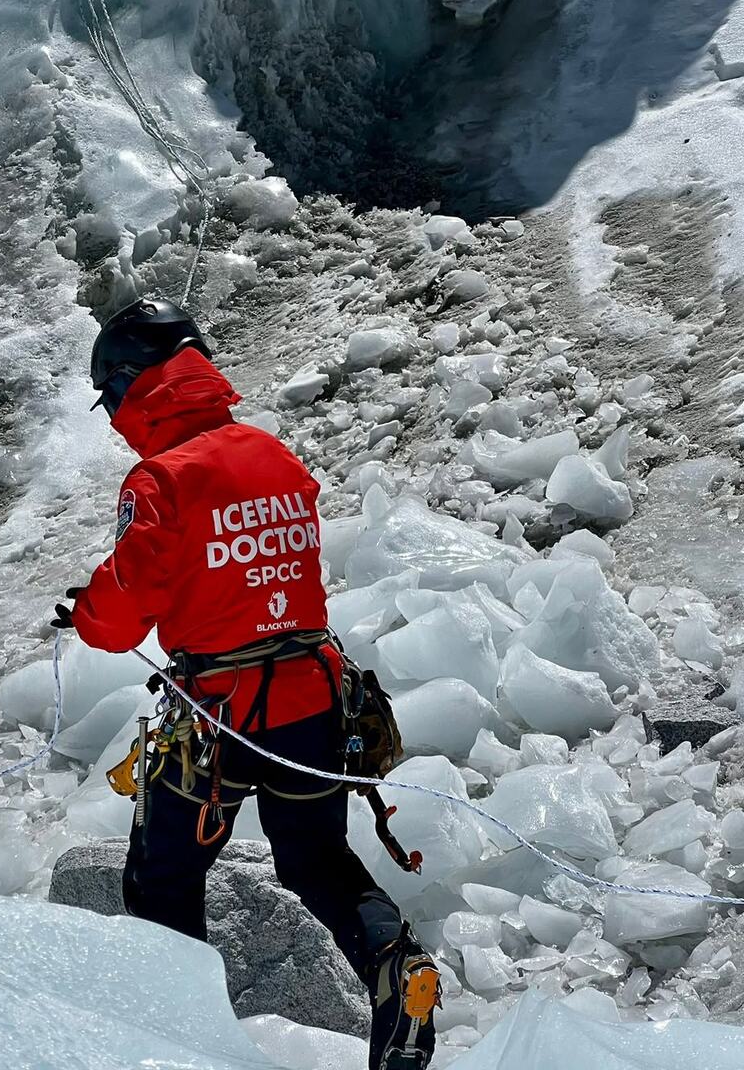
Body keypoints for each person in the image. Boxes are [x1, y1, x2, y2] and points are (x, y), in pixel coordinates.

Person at [52, 298, 441, 1069]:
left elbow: (125, 614)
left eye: (112, 397)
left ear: (133, 383)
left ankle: (183, 1046)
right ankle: (398, 967)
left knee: (164, 877)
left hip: (219, 717)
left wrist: (88, 613)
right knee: (317, 862)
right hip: (314, 700)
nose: (113, 418)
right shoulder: (274, 455)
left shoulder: (159, 479)